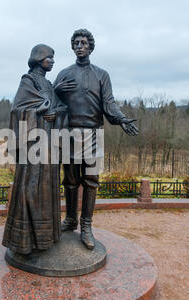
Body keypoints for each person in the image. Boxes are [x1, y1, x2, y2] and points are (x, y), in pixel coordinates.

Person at [54, 29, 138, 250]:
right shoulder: (63, 73)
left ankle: (87, 226)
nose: (80, 45)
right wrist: (55, 90)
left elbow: (109, 103)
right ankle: (70, 219)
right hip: (69, 134)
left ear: (90, 46)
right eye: (76, 43)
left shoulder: (102, 75)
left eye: (84, 42)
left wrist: (121, 119)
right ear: (72, 47)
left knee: (91, 182)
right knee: (70, 181)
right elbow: (50, 104)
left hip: (93, 134)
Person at [2, 44, 68, 255]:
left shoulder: (48, 84)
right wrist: (37, 112)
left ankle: (45, 237)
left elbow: (60, 108)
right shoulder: (27, 81)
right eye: (50, 57)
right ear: (39, 58)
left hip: (48, 144)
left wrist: (55, 115)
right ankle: (24, 239)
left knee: (47, 188)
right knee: (30, 187)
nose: (53, 61)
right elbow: (17, 110)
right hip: (32, 144)